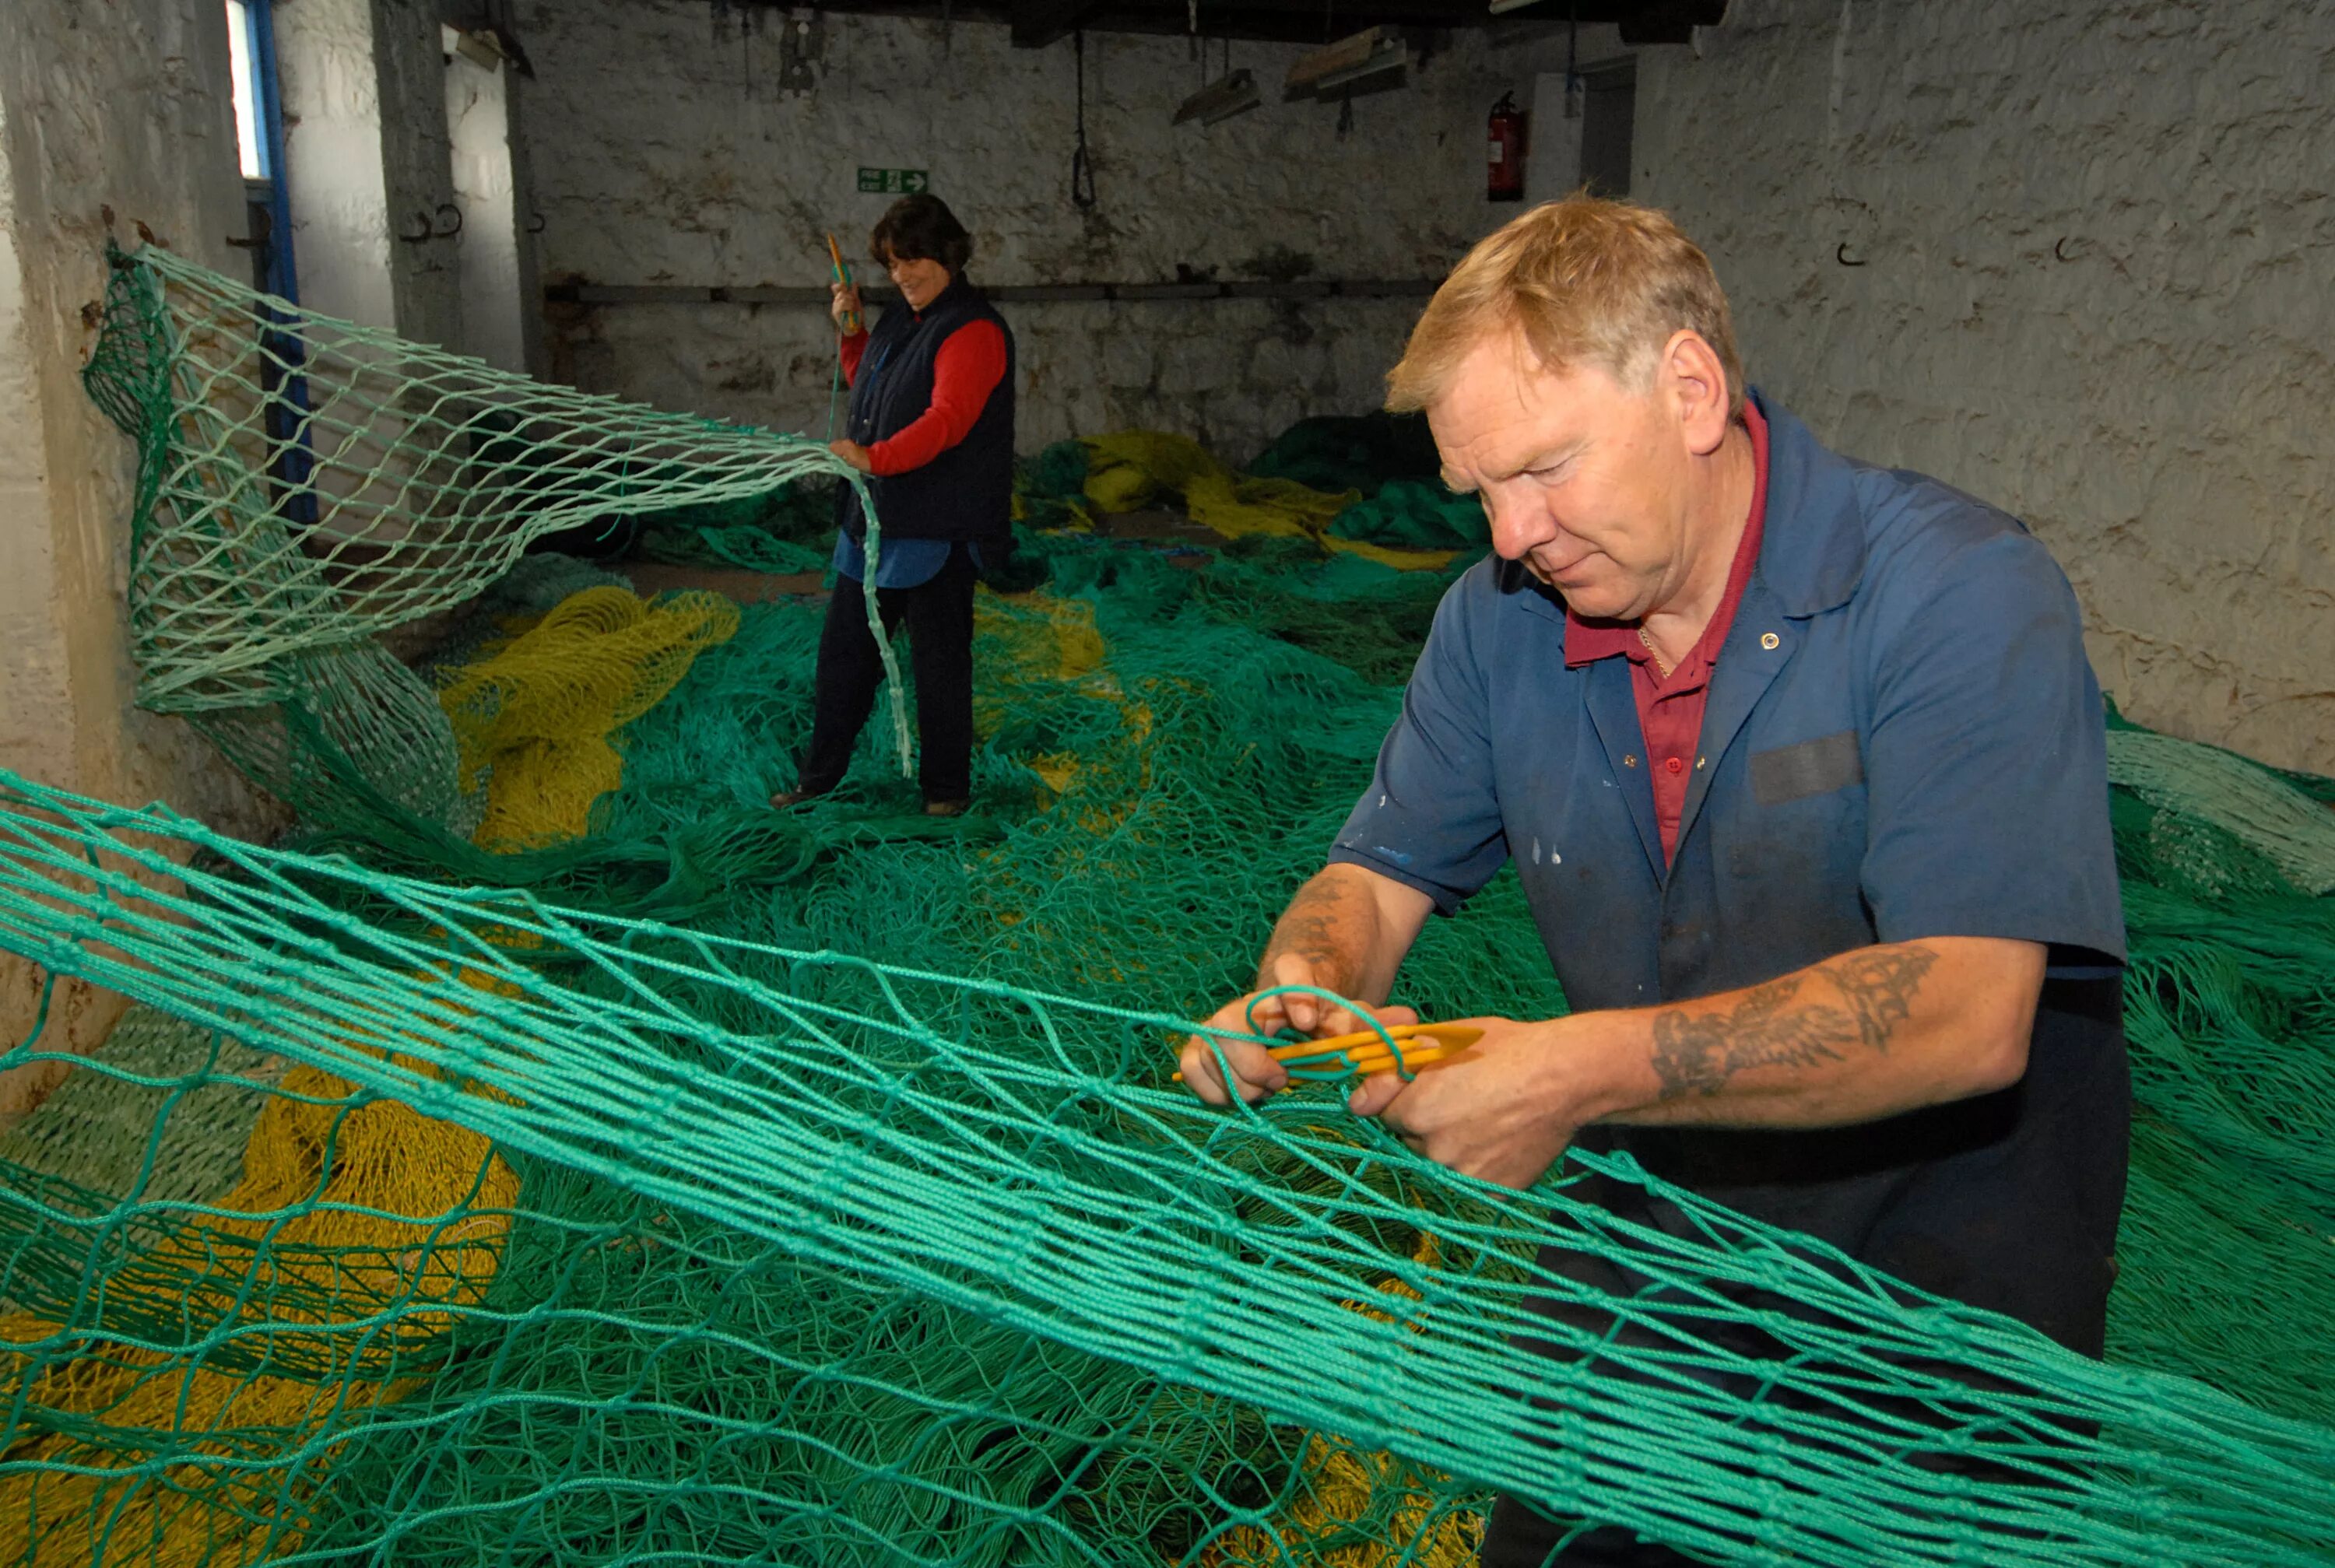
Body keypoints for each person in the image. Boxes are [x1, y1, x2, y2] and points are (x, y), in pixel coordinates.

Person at [1177, 197, 2128, 1565]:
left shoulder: (1955, 594)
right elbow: (1376, 873)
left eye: (1546, 470)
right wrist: (1307, 985)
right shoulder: (1497, 624)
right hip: (1665, 1208)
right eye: (1483, 493)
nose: (1511, 536)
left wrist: (1566, 1076)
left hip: (1945, 1246)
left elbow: (1966, 1010)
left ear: (1689, 388)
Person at [771, 194, 1016, 817]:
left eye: (915, 260)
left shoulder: (975, 330)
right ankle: (817, 781)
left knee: (939, 668)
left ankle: (946, 794)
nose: (903, 275)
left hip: (938, 527)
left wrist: (873, 459)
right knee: (843, 660)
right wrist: (852, 333)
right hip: (875, 523)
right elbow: (873, 388)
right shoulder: (899, 319)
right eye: (893, 264)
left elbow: (947, 422)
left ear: (951, 256)